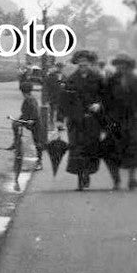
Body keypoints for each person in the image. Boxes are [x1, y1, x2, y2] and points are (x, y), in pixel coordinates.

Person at [60, 49, 105, 191]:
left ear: (90, 64)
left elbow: (106, 96)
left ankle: (87, 173)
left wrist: (99, 104)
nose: (83, 67)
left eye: (86, 64)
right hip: (75, 120)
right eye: (80, 65)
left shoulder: (98, 78)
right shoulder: (71, 79)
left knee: (91, 148)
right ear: (77, 65)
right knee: (76, 148)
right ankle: (80, 177)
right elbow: (64, 100)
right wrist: (60, 119)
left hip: (93, 121)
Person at [102, 53, 137, 190]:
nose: (121, 67)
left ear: (129, 65)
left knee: (133, 150)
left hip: (132, 120)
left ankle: (132, 179)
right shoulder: (111, 81)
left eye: (124, 64)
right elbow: (106, 100)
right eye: (118, 64)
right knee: (108, 149)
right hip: (115, 121)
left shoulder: (135, 80)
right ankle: (116, 179)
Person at [17, 81, 46, 171]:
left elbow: (35, 112)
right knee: (15, 125)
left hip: (35, 123)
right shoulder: (28, 98)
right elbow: (25, 112)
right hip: (30, 121)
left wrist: (31, 120)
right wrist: (20, 119)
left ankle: (39, 162)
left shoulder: (30, 99)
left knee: (38, 143)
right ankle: (16, 145)